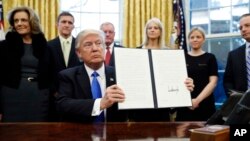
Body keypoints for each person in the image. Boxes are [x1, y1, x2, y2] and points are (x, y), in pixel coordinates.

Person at [129, 17, 195, 122]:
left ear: (160, 31)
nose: (152, 30)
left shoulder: (168, 53)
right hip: (141, 104)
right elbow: (132, 77)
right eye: (149, 28)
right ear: (146, 31)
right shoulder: (137, 52)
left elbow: (174, 77)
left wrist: (185, 84)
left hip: (163, 105)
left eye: (156, 28)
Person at [55, 29, 128, 122]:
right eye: (88, 44)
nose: (95, 49)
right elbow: (62, 104)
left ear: (105, 49)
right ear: (79, 53)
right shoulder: (68, 76)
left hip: (114, 133)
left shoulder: (119, 74)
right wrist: (99, 104)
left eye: (99, 43)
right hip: (81, 132)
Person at [0, 6, 54, 122]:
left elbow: (51, 74)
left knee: (38, 133)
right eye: (16, 21)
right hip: (11, 97)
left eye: (23, 20)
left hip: (39, 97)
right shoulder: (3, 46)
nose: (19, 24)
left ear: (32, 22)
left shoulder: (46, 47)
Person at [176, 27, 218, 121]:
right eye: (192, 37)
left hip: (205, 104)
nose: (195, 39)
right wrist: (188, 102)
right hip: (184, 105)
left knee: (206, 134)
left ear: (203, 39)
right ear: (188, 40)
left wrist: (197, 100)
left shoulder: (210, 57)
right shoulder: (181, 57)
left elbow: (213, 83)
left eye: (198, 37)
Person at [48, 11, 82, 89]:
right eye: (63, 22)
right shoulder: (48, 46)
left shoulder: (80, 45)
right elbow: (46, 71)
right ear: (57, 25)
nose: (67, 25)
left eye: (70, 23)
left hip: (77, 90)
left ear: (73, 26)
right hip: (54, 92)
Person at [224, 13, 250, 95]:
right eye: (240, 27)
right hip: (241, 105)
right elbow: (227, 81)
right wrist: (233, 96)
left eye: (247, 25)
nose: (243, 29)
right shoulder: (233, 55)